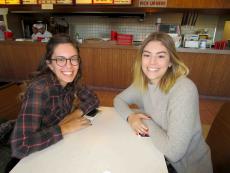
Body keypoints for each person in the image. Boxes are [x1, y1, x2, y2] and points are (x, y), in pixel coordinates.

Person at [113, 32, 213, 173]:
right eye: (147, 55)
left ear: (171, 61)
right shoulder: (144, 82)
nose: (152, 62)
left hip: (185, 167)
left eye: (160, 56)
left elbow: (174, 153)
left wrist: (144, 118)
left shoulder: (184, 89)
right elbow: (118, 100)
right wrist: (130, 117)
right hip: (159, 153)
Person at [6, 33, 99, 172]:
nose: (69, 66)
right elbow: (21, 146)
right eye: (60, 60)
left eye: (74, 59)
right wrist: (65, 128)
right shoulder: (40, 88)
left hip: (53, 145)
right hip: (22, 158)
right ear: (49, 64)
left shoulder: (71, 80)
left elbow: (94, 99)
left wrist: (73, 116)